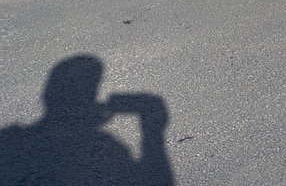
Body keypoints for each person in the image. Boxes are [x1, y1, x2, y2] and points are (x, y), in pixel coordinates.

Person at [0, 55, 174, 185]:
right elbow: (154, 176)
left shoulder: (8, 140)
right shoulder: (111, 145)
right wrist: (152, 130)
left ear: (47, 94)